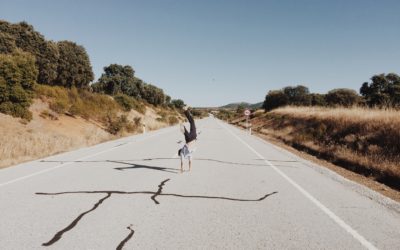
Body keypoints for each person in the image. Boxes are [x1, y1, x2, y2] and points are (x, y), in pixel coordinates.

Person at [178, 106, 197, 172]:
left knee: (192, 122)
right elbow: (182, 163)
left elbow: (187, 162)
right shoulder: (183, 150)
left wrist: (187, 169)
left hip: (193, 137)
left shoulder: (189, 153)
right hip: (189, 138)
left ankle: (185, 111)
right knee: (184, 130)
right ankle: (185, 111)